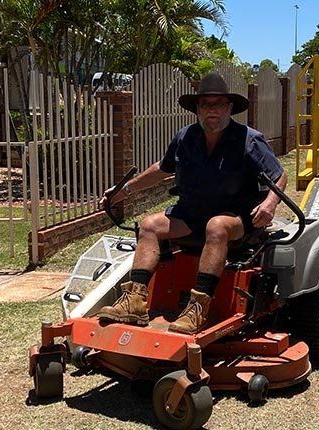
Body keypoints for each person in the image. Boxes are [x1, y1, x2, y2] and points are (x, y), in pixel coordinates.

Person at [97, 72, 287, 334]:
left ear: (229, 108)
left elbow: (279, 174)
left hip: (236, 218)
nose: (212, 110)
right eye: (206, 104)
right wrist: (124, 190)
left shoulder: (248, 139)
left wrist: (270, 203)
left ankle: (197, 308)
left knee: (216, 226)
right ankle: (135, 301)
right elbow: (162, 169)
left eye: (218, 104)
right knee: (150, 225)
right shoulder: (185, 137)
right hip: (192, 214)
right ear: (197, 108)